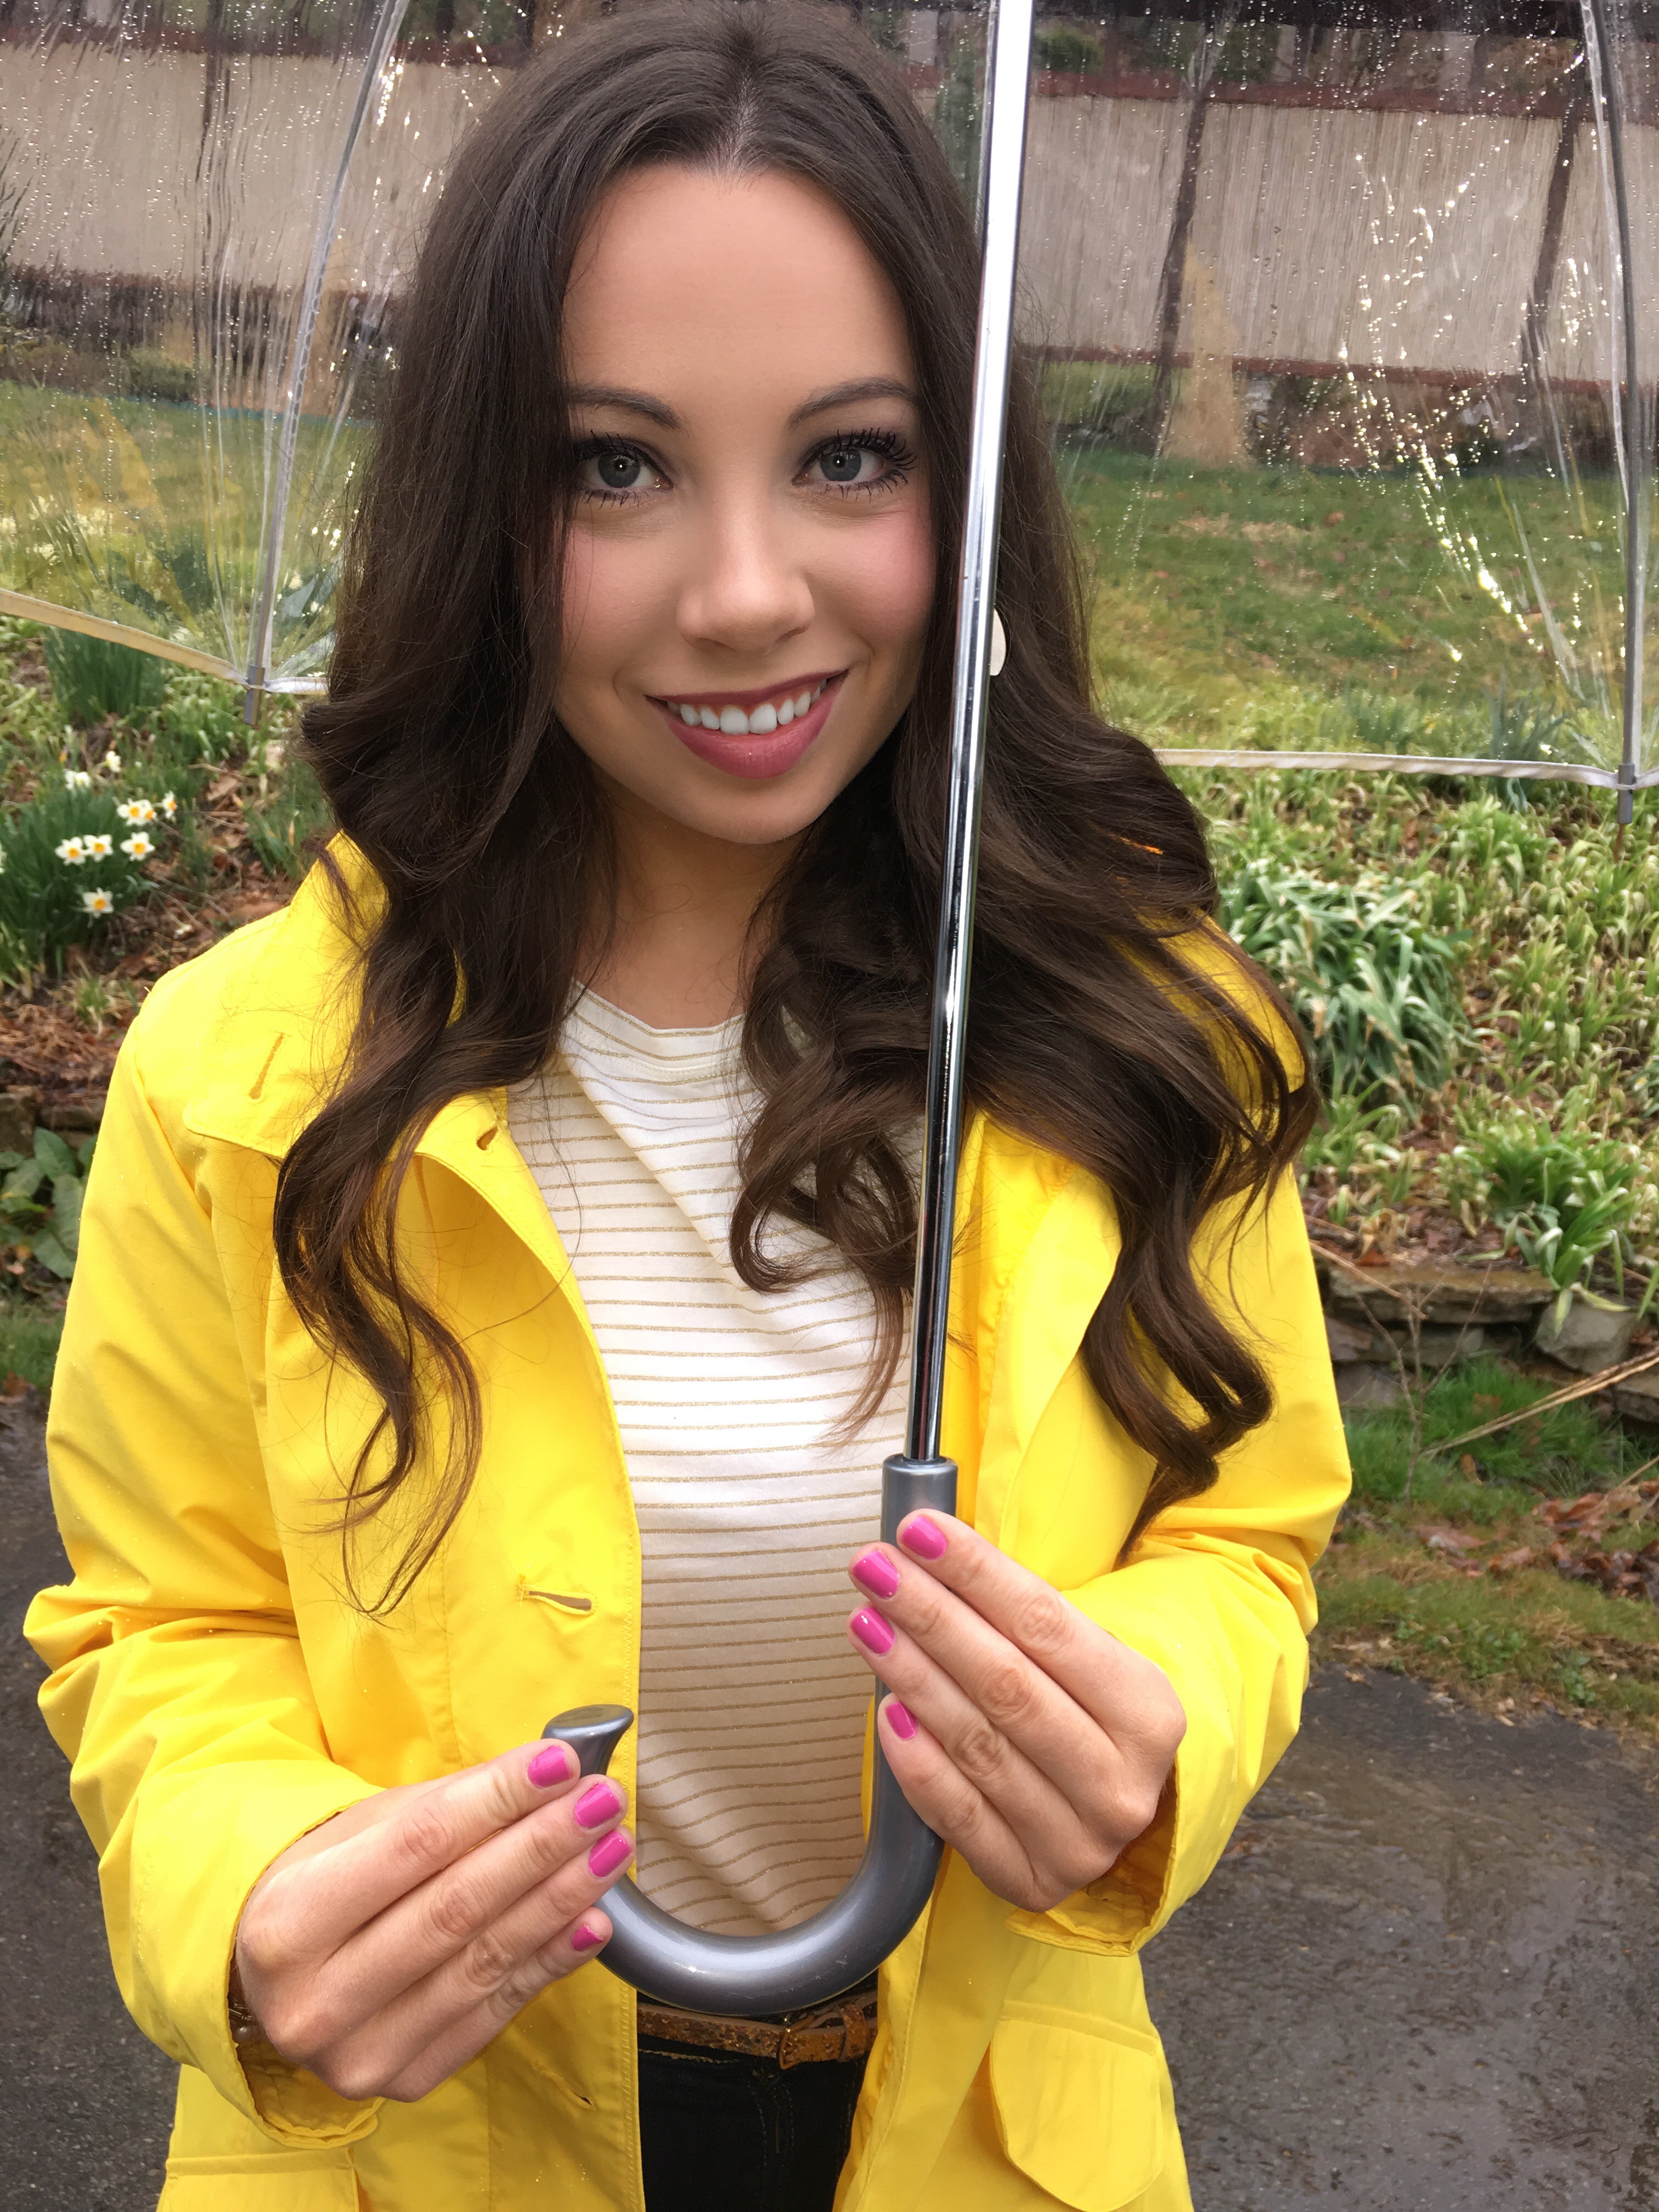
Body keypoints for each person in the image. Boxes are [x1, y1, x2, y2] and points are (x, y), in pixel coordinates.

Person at [25, 7, 1350, 2208]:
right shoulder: (242, 1082)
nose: (746, 596)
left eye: (852, 457)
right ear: (484, 499)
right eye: (615, 470)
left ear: (967, 491)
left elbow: (1244, 1534)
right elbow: (165, 1623)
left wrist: (1160, 1723)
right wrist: (244, 1886)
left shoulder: (1145, 1039)